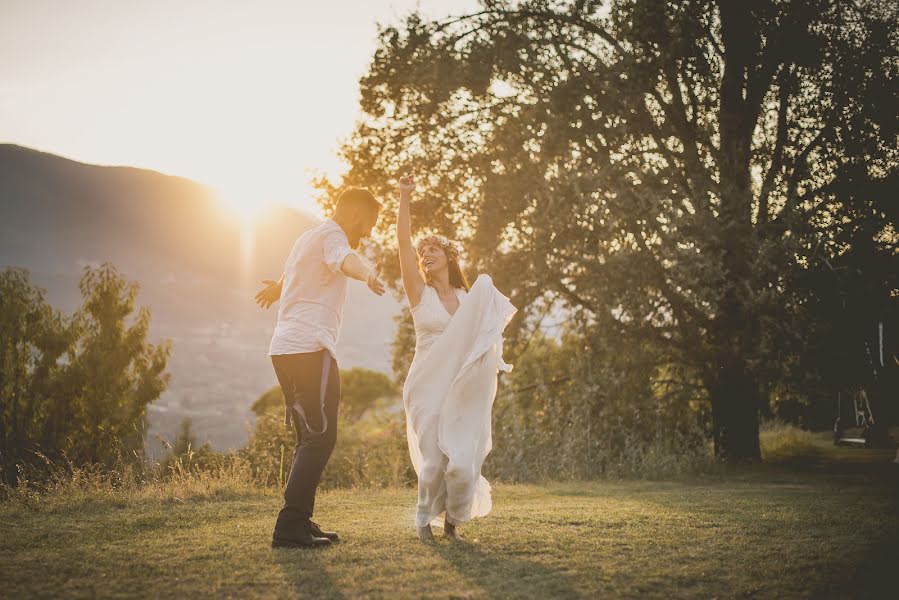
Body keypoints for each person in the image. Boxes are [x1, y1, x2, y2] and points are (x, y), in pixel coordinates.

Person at [255, 186, 385, 549]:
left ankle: (302, 520)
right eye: (371, 223)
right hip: (310, 350)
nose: (370, 232)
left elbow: (291, 274)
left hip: (284, 350)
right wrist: (369, 274)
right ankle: (289, 526)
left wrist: (276, 290)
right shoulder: (334, 236)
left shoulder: (307, 238)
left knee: (308, 438)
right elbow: (346, 259)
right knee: (320, 438)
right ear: (357, 215)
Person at [396, 175, 517, 541]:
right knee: (433, 462)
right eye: (422, 253)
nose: (425, 255)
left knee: (463, 463)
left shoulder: (470, 298)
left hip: (461, 388)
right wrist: (404, 197)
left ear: (449, 256)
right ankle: (423, 523)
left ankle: (452, 524)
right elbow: (402, 243)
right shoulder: (419, 293)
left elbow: (486, 336)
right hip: (425, 385)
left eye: (433, 250)